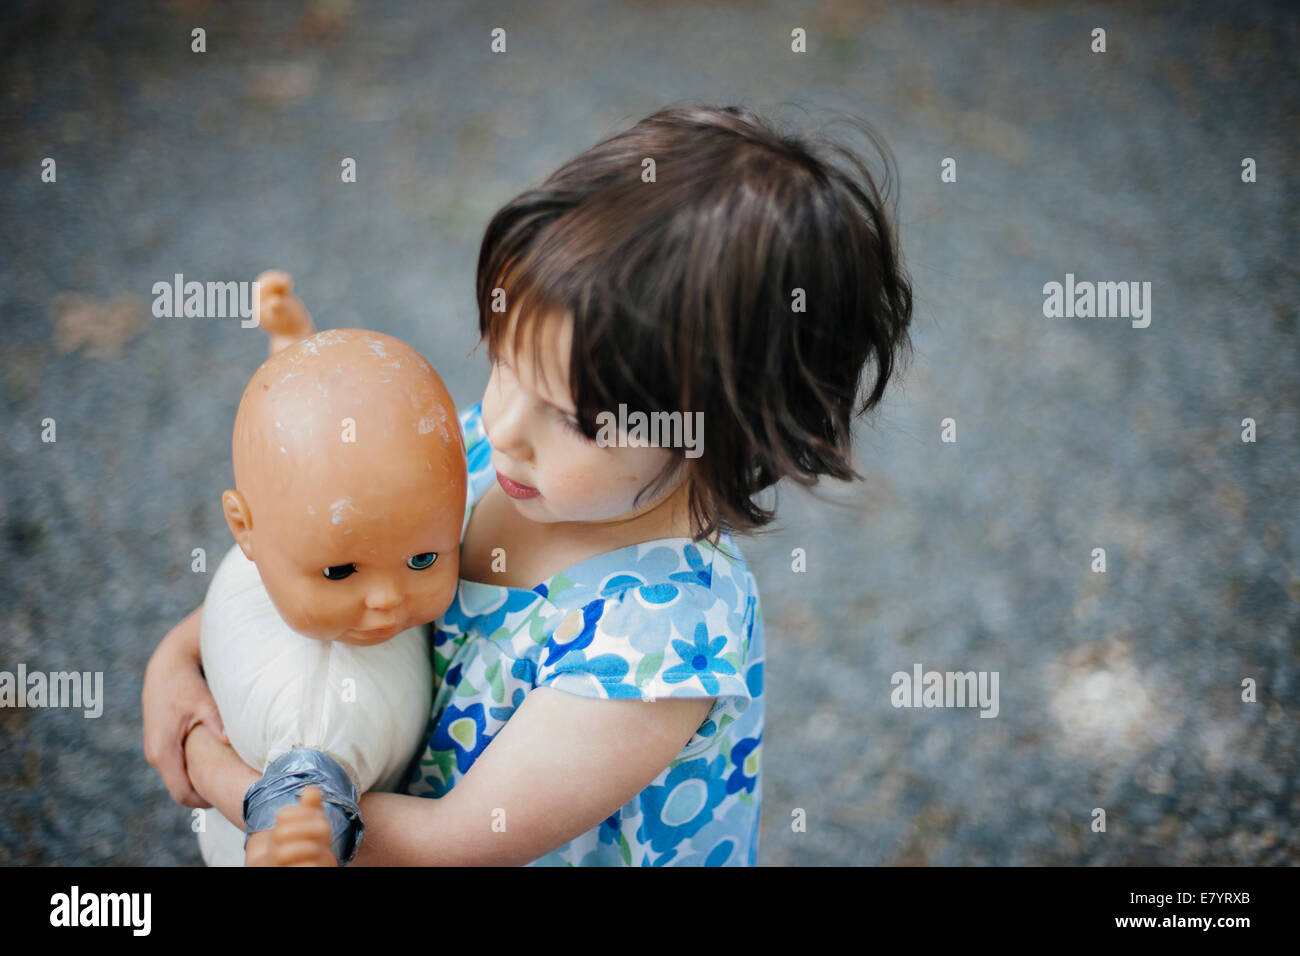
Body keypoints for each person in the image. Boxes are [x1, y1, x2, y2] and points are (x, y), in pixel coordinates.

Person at [143, 102, 914, 866]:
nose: (504, 424)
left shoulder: (656, 647)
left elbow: (449, 842)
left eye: (575, 420)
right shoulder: (492, 456)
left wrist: (217, 769)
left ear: (723, 432)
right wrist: (179, 660)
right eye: (505, 363)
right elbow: (333, 565)